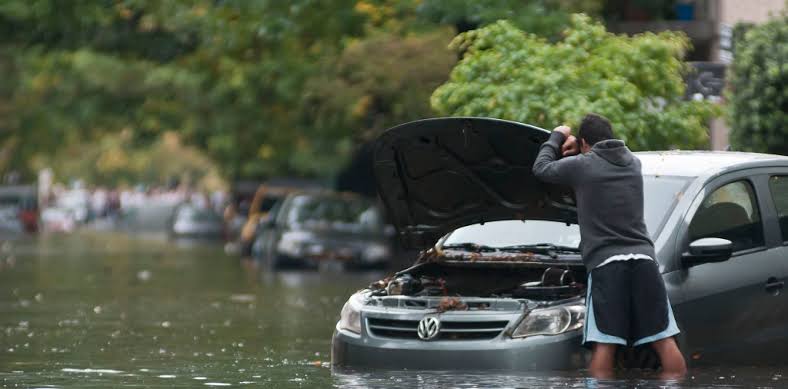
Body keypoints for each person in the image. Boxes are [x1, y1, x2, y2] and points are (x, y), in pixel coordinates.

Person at [532, 113, 687, 379]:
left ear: (583, 143)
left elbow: (541, 169)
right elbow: (596, 164)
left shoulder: (583, 166)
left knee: (605, 344)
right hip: (644, 262)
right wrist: (577, 151)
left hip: (607, 265)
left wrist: (557, 136)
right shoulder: (633, 163)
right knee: (663, 340)